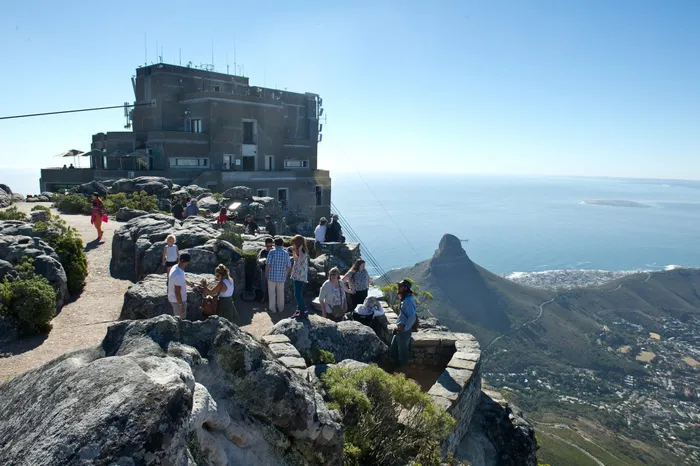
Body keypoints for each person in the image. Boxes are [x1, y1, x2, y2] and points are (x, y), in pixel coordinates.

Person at [390, 279, 417, 368]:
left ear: (405, 288)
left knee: (402, 353)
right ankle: (395, 368)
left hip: (404, 331)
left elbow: (412, 316)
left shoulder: (407, 301)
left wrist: (405, 328)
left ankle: (403, 371)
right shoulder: (407, 298)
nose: (398, 287)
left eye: (400, 286)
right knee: (393, 350)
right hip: (400, 330)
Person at [265, 237, 291, 313]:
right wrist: (286, 274)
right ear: (282, 244)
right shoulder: (285, 253)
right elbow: (289, 266)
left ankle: (272, 309)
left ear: (275, 244)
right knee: (281, 293)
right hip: (281, 277)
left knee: (272, 293)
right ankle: (281, 308)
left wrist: (266, 274)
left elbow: (268, 265)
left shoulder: (271, 252)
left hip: (271, 276)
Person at [168, 253, 193, 319]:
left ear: (179, 259)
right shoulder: (178, 275)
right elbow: (177, 292)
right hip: (177, 301)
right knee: (180, 319)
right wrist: (181, 305)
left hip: (173, 298)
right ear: (187, 262)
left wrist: (192, 285)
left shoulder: (175, 267)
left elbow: (183, 280)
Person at [290, 235, 309, 318]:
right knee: (298, 293)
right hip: (300, 276)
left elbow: (299, 260)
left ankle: (303, 310)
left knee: (297, 294)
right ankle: (299, 310)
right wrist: (294, 251)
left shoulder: (302, 251)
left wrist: (295, 250)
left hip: (299, 276)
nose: (293, 245)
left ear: (297, 243)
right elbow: (296, 259)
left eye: (294, 243)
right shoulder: (301, 250)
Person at [258, 237, 274, 303]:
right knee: (263, 285)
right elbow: (260, 261)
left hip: (272, 271)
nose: (269, 248)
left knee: (272, 286)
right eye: (268, 246)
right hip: (264, 270)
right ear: (265, 245)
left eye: (270, 246)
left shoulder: (274, 251)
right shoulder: (263, 252)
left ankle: (270, 299)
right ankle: (264, 297)